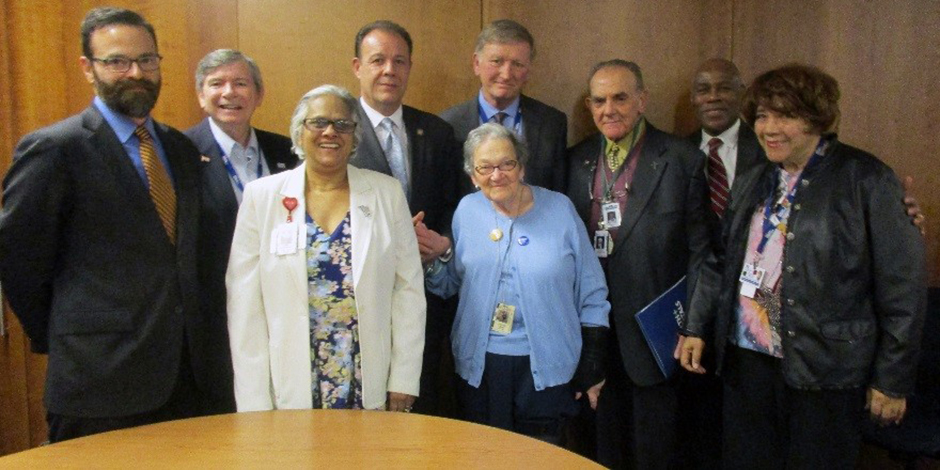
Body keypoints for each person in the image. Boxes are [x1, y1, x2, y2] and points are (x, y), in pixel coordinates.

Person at [679, 64, 926, 470]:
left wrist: (892, 380)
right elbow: (720, 260)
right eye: (762, 116)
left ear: (817, 119)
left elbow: (903, 289)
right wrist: (696, 326)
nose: (770, 128)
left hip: (824, 369)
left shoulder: (865, 179)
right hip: (748, 361)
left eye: (786, 116)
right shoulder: (754, 178)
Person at [0, 7, 230, 442]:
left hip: (190, 379)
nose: (136, 73)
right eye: (117, 61)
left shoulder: (180, 150)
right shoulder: (55, 150)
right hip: (99, 380)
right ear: (88, 68)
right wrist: (72, 333)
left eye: (146, 60)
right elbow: (20, 263)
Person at [226, 84, 425, 412]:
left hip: (366, 376)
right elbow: (244, 306)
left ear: (354, 135)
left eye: (342, 124)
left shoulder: (386, 193)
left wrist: (403, 378)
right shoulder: (262, 198)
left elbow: (409, 291)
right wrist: (254, 400)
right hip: (288, 380)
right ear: (299, 132)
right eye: (318, 122)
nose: (330, 132)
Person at [417, 123, 610, 444]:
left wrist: (594, 358)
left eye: (507, 164)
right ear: (472, 175)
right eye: (485, 167)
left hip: (548, 365)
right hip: (480, 367)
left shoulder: (560, 209)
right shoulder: (467, 211)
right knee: (485, 457)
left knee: (540, 458)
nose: (497, 175)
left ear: (521, 167)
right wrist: (431, 259)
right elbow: (450, 285)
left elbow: (592, 290)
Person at [566, 60, 711, 469]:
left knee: (655, 452)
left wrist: (695, 325)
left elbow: (704, 254)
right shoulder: (574, 161)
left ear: (642, 100)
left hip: (657, 337)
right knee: (599, 452)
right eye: (599, 101)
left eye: (620, 98)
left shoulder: (682, 159)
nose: (608, 109)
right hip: (591, 335)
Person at [347, 20, 461, 416]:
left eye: (399, 61)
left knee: (423, 408)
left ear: (410, 67)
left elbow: (455, 204)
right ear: (357, 67)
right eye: (377, 60)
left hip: (427, 300)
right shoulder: (337, 133)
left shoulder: (437, 131)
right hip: (362, 301)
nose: (389, 70)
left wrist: (440, 242)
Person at [184, 49, 298, 413]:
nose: (229, 93)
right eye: (216, 84)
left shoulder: (288, 152)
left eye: (240, 83)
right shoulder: (181, 153)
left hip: (283, 310)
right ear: (201, 95)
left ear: (259, 94)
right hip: (213, 318)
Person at [441, 19, 568, 194]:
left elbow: (558, 193)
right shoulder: (447, 125)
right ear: (476, 64)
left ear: (528, 70)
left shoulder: (552, 124)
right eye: (497, 61)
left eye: (517, 64)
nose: (506, 74)